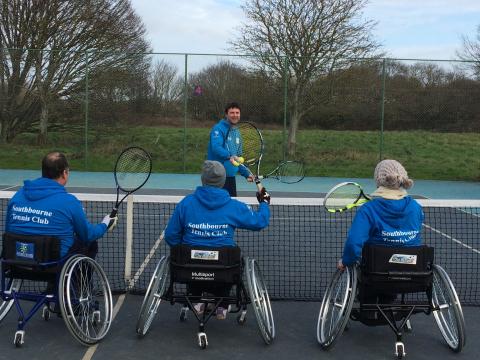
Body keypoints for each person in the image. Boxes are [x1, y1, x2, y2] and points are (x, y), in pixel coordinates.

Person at [165, 160, 270, 319]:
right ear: (223, 182)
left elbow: (171, 236)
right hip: (224, 269)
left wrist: (186, 249)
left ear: (203, 179)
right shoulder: (234, 206)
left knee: (192, 258)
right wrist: (264, 203)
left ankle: (196, 299)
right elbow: (260, 222)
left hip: (189, 268)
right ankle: (222, 304)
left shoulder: (186, 204)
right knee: (230, 260)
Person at [337, 160, 423, 308]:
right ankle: (387, 302)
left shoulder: (368, 209)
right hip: (410, 271)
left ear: (379, 180)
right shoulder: (416, 207)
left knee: (366, 268)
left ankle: (368, 307)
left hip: (374, 273)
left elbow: (354, 242)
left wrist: (346, 261)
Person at [5, 152, 117, 260]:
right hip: (53, 263)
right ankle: (79, 279)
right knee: (89, 243)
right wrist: (105, 223)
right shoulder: (70, 202)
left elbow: (8, 229)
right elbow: (88, 235)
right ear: (64, 173)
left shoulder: (18, 195)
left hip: (17, 258)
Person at [207, 102, 254, 197]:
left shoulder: (237, 132)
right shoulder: (218, 129)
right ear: (226, 114)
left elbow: (238, 158)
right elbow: (216, 148)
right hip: (216, 177)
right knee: (216, 208)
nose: (235, 115)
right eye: (232, 113)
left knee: (231, 208)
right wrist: (230, 156)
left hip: (230, 178)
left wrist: (246, 174)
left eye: (237, 113)